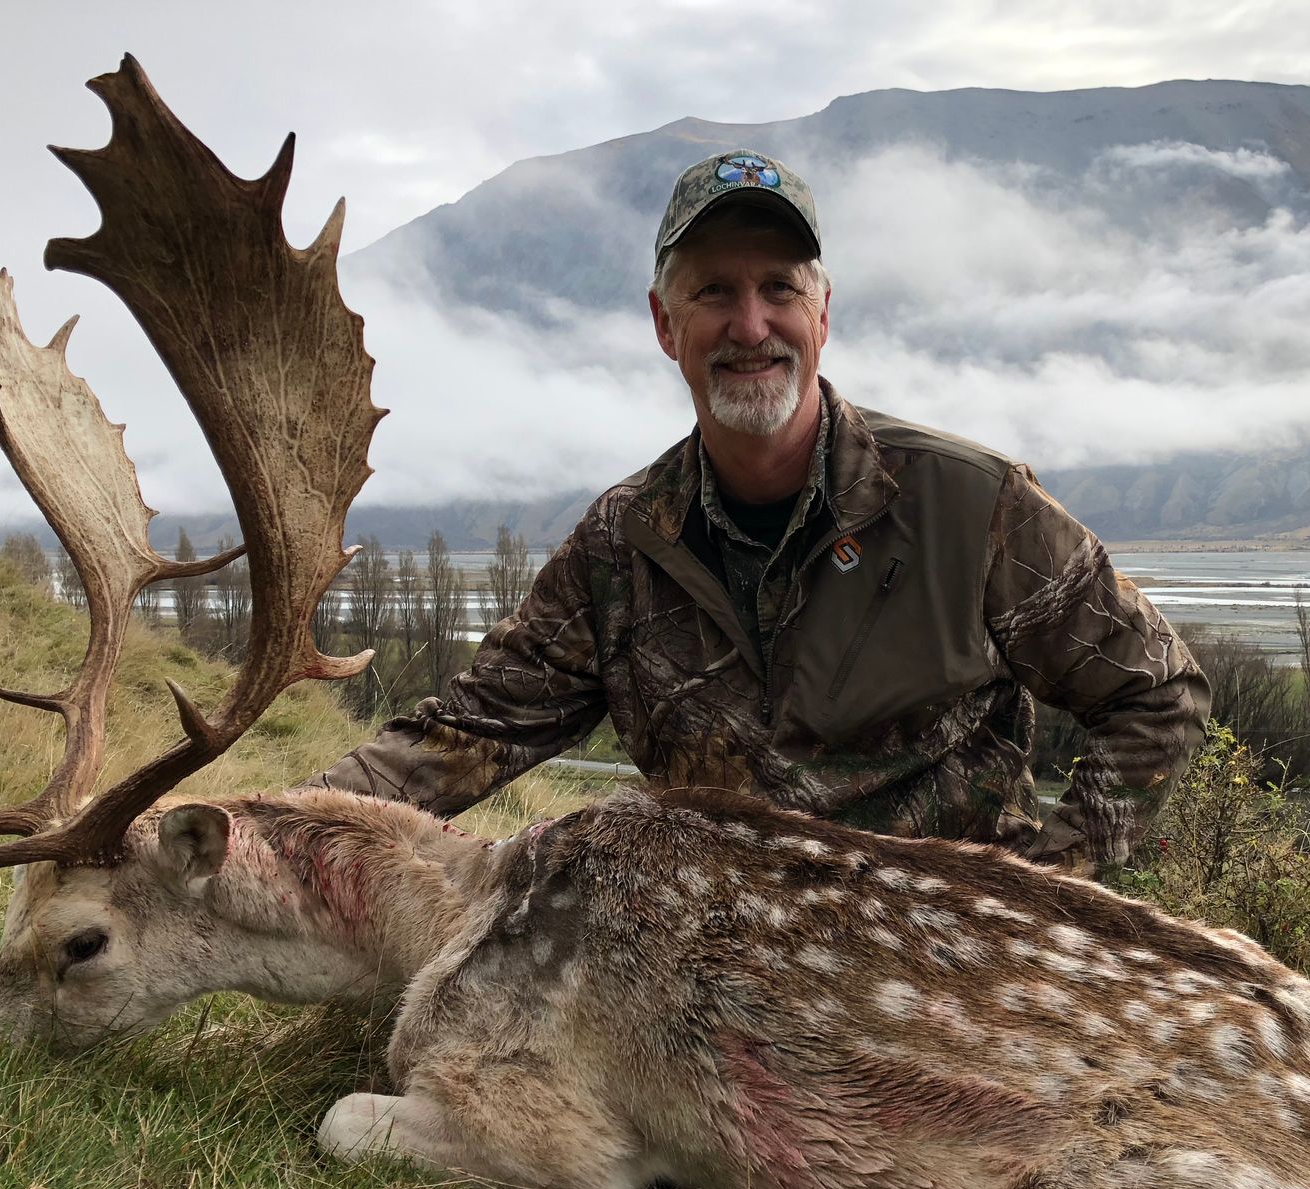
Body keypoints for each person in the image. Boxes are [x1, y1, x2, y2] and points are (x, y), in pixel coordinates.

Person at [308, 151, 1209, 873]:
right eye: (714, 293)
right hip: (714, 971)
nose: (750, 326)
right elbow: (469, 733)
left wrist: (1046, 893)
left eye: (779, 288)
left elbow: (1159, 691)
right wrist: (266, 823)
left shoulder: (971, 505)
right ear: (665, 326)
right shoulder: (621, 546)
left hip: (940, 971)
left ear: (823, 315)